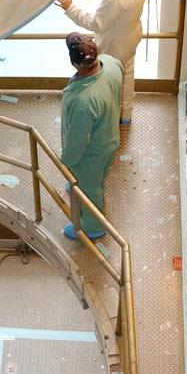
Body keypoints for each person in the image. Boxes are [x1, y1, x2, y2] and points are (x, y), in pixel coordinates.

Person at [51, 0, 149, 124]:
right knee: (127, 77)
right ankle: (126, 116)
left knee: (108, 82)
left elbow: (96, 23)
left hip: (113, 47)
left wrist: (70, 7)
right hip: (130, 37)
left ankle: (109, 118)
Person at [59, 33, 123, 242]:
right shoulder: (111, 64)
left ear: (74, 63)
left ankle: (94, 227)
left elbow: (78, 141)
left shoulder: (83, 102)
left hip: (92, 152)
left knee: (90, 187)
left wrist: (66, 162)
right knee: (96, 178)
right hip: (108, 136)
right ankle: (80, 185)